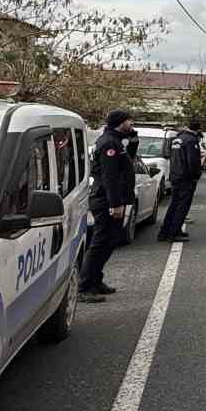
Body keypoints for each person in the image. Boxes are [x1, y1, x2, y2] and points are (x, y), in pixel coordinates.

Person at [83, 108, 136, 301]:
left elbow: (128, 160)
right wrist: (115, 203)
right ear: (120, 122)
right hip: (106, 200)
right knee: (101, 242)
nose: (132, 123)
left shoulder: (116, 140)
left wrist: (133, 138)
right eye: (129, 121)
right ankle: (85, 286)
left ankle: (96, 280)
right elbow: (109, 176)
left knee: (110, 241)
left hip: (113, 199)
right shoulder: (108, 144)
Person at [157, 118, 204, 242]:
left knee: (174, 205)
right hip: (186, 177)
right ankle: (173, 233)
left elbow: (169, 155)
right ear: (198, 129)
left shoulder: (177, 138)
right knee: (182, 206)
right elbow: (193, 161)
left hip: (175, 175)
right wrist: (196, 175)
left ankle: (165, 232)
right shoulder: (191, 140)